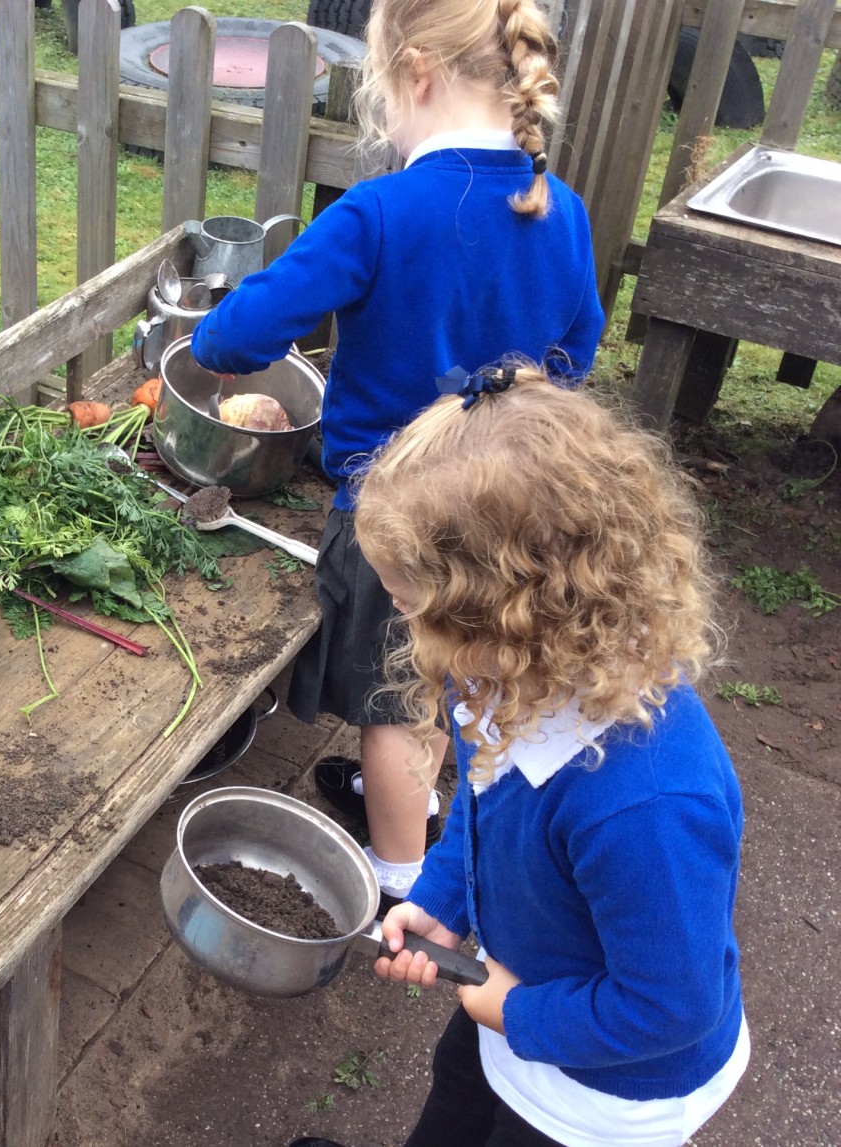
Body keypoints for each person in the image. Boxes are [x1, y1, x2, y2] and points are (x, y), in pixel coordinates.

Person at [188, 0, 605, 907]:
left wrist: (213, 329)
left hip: (398, 521)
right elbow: (578, 352)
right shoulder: (561, 211)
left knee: (399, 704)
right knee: (475, 667)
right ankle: (450, 823)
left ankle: (399, 883)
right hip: (513, 503)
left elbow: (236, 335)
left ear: (418, 74)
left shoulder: (379, 213)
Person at [294, 369, 747, 1147]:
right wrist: (440, 901)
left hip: (602, 1093)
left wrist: (509, 1007)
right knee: (455, 1108)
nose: (403, 632)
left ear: (505, 616)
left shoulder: (646, 805)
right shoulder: (505, 684)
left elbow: (671, 1005)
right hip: (514, 1002)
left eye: (409, 608)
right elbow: (480, 802)